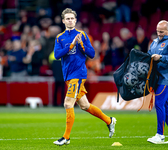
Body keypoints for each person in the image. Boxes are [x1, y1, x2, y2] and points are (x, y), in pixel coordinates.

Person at [53, 8, 116, 146]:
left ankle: (66, 137)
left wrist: (80, 44)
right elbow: (57, 55)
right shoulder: (59, 37)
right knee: (85, 106)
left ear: (75, 20)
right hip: (68, 75)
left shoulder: (82, 35)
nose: (70, 20)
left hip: (78, 74)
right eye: (67, 18)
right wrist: (71, 46)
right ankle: (109, 121)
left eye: (72, 18)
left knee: (67, 103)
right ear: (63, 21)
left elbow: (92, 54)